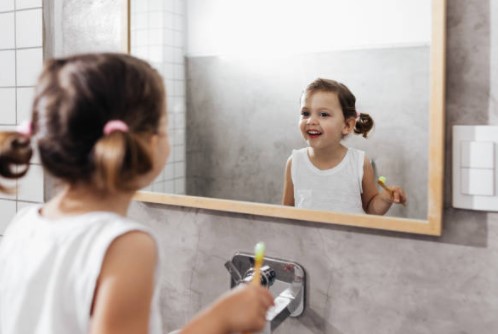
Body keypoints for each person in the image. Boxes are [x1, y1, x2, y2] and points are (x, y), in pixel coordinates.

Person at [0, 53, 273, 334]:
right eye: (166, 125)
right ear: (145, 142)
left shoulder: (23, 224)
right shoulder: (124, 245)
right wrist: (219, 319)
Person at [282, 78, 406, 215]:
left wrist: (384, 199)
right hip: (307, 237)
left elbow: (371, 210)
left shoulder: (359, 162)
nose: (310, 121)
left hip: (350, 237)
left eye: (323, 114)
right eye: (305, 113)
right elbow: (287, 214)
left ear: (347, 125)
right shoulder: (295, 162)